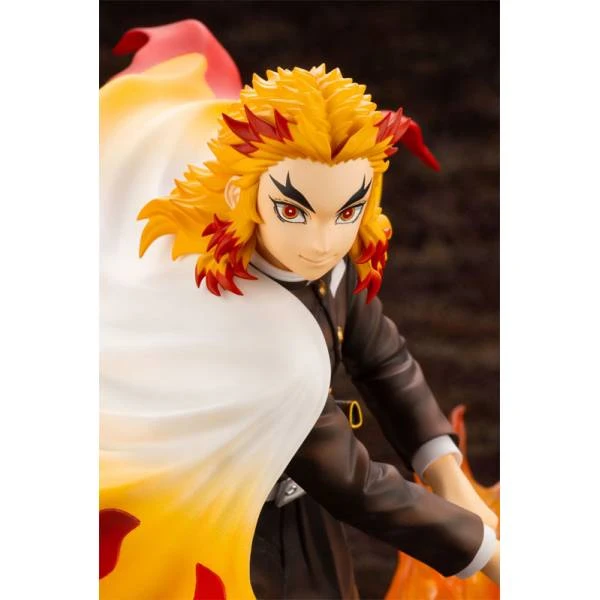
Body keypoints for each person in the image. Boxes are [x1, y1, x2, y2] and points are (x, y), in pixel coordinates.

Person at [99, 20, 499, 600]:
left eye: (346, 212)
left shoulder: (332, 268)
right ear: (242, 194)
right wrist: (488, 553)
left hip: (305, 513)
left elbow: (384, 360)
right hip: (224, 518)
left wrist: (445, 470)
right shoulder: (232, 311)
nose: (322, 240)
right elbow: (348, 478)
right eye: (294, 211)